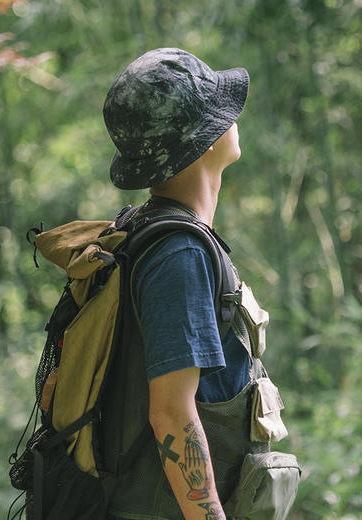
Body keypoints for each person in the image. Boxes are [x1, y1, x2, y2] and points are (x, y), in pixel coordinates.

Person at [102, 48, 260, 520]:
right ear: (204, 141)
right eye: (221, 112)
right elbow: (171, 413)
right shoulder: (180, 253)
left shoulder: (148, 230)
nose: (233, 118)